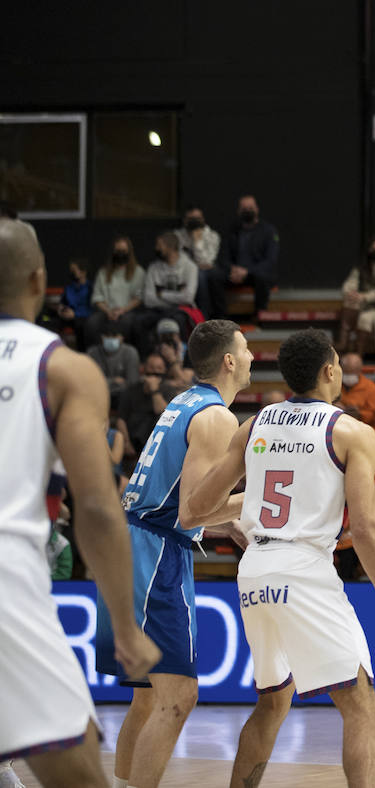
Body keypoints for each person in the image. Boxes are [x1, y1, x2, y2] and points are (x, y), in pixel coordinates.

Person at [190, 329, 375, 784]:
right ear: (331, 370)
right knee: (362, 704)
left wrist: (249, 509)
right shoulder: (350, 431)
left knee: (273, 700)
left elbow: (197, 507)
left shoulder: (256, 423)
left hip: (254, 570)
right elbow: (368, 529)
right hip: (304, 570)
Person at [0, 218, 161, 785]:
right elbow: (94, 507)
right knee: (81, 772)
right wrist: (124, 626)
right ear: (40, 279)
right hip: (5, 577)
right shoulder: (62, 368)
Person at [95, 320, 254, 788]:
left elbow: (176, 497)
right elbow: (188, 512)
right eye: (244, 350)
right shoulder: (218, 418)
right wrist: (255, 497)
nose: (249, 357)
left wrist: (229, 524)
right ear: (228, 361)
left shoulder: (183, 402)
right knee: (178, 696)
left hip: (133, 543)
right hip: (154, 553)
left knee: (148, 698)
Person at [208, 194, 279, 317]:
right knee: (214, 276)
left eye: (250, 208)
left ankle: (260, 316)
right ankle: (221, 318)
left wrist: (247, 271)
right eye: (244, 209)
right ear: (238, 211)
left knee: (262, 276)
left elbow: (270, 260)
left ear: (257, 209)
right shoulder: (232, 230)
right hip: (234, 273)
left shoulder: (268, 231)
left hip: (255, 274)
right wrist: (232, 269)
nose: (248, 212)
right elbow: (223, 256)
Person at [133, 231, 197, 352]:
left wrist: (161, 294)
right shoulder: (153, 268)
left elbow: (188, 297)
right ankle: (146, 358)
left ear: (170, 247)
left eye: (159, 245)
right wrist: (177, 297)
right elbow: (148, 299)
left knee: (179, 321)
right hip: (157, 310)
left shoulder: (190, 267)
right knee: (139, 321)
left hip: (180, 311)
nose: (156, 248)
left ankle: (183, 359)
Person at [339, 237, 375, 354]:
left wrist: (363, 297)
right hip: (362, 305)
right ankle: (343, 343)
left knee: (364, 319)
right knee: (349, 302)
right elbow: (350, 284)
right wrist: (350, 293)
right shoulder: (360, 267)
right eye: (373, 248)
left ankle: (358, 353)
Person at [86, 234, 145, 343]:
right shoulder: (103, 273)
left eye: (123, 250)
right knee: (92, 323)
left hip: (128, 311)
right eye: (117, 251)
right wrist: (108, 311)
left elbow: (139, 298)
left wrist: (122, 310)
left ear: (129, 252)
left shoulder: (138, 272)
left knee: (127, 323)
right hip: (106, 311)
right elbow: (97, 298)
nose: (120, 254)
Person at [174, 206, 220, 315]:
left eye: (197, 218)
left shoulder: (212, 236)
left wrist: (196, 241)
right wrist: (196, 265)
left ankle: (208, 315)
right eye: (191, 219)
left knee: (205, 275)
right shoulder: (177, 236)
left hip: (207, 271)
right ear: (185, 220)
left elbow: (206, 262)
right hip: (184, 270)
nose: (195, 222)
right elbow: (179, 260)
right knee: (198, 274)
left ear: (203, 219)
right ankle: (200, 316)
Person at [88, 326, 140, 408]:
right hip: (98, 394)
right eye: (107, 336)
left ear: (122, 337)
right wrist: (114, 381)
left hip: (122, 395)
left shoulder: (130, 352)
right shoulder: (92, 352)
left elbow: (132, 383)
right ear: (101, 337)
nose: (111, 339)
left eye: (114, 336)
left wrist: (105, 382)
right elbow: (90, 382)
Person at [53, 257, 92, 347]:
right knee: (49, 321)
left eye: (74, 270)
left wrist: (75, 314)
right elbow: (63, 302)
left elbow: (92, 309)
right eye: (71, 270)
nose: (71, 273)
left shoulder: (90, 288)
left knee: (81, 325)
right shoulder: (69, 287)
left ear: (83, 272)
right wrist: (61, 310)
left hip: (82, 318)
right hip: (66, 316)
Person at [338, 352, 375, 426]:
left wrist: (359, 414)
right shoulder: (333, 384)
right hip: (337, 425)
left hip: (362, 427)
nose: (349, 376)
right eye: (346, 373)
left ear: (360, 370)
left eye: (352, 373)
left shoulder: (370, 387)